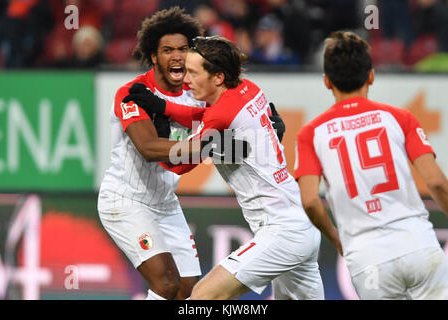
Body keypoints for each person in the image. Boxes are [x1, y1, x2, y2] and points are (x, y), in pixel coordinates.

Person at [124, 35, 326, 300]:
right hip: (301, 224)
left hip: (281, 233)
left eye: (194, 73)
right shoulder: (247, 89)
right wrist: (163, 106)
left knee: (201, 299)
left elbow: (183, 159)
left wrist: (159, 143)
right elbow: (205, 117)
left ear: (218, 77)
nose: (186, 80)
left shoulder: (222, 115)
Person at [295, 31, 448, 299]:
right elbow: (436, 182)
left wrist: (336, 239)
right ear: (371, 76)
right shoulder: (400, 118)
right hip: (418, 244)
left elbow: (309, 201)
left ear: (326, 81)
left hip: (368, 257)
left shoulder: (311, 133)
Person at [97, 7, 206, 301]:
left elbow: (224, 117)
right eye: (168, 49)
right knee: (166, 284)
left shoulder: (195, 92)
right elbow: (147, 148)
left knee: (188, 290)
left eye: (183, 48)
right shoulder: (133, 92)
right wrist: (206, 144)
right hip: (126, 200)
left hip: (166, 203)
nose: (177, 56)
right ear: (154, 56)